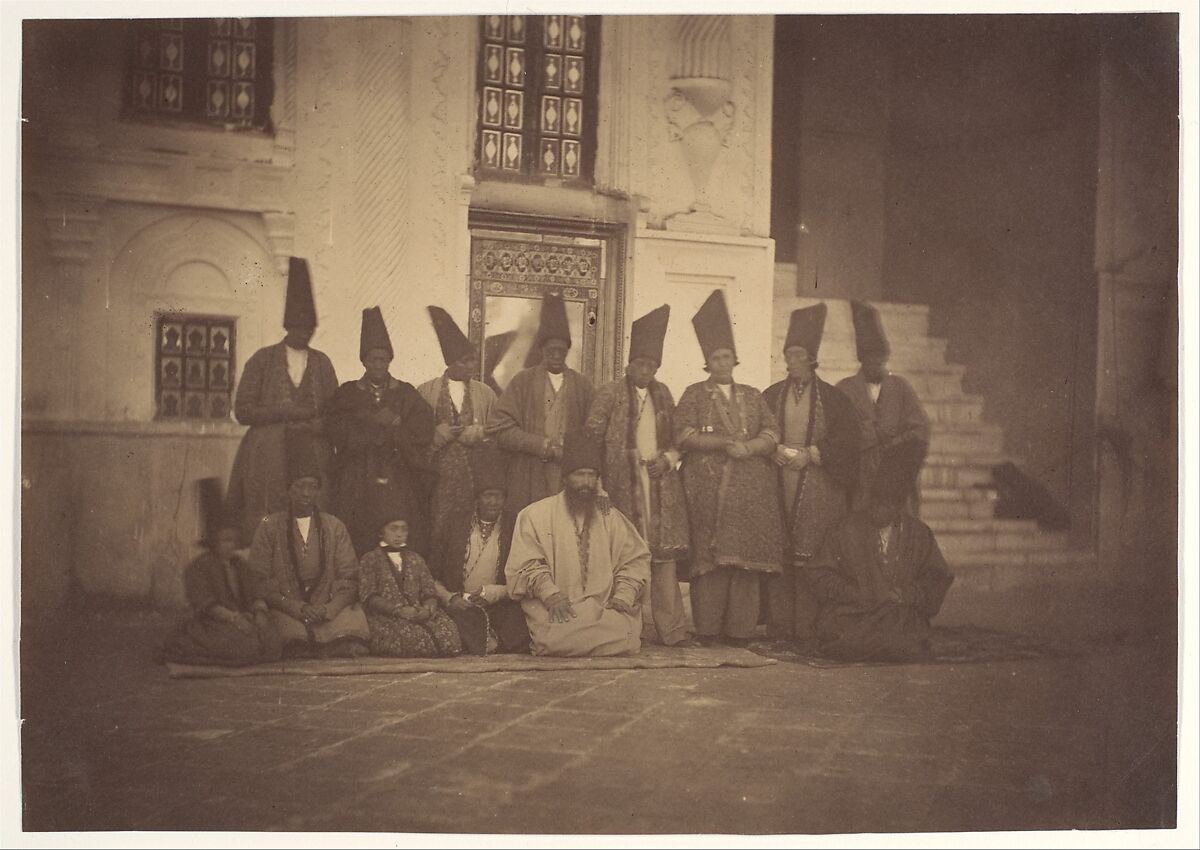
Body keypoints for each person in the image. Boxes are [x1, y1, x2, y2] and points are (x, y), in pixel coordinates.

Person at [675, 289, 785, 647]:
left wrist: (750, 447)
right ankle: (707, 629)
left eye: (727, 357)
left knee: (745, 565)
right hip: (706, 490)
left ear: (735, 360)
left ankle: (740, 631)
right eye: (716, 357)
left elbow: (772, 432)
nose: (722, 363)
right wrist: (725, 444)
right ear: (708, 362)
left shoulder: (753, 395)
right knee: (710, 563)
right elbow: (683, 435)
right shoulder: (693, 394)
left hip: (751, 492)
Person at [584, 304, 696, 647]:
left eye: (651, 365)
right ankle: (622, 630)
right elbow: (591, 437)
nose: (645, 370)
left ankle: (671, 630)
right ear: (629, 364)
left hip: (659, 483)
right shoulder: (609, 393)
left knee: (663, 561)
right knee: (622, 556)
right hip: (619, 484)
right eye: (640, 364)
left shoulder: (664, 394)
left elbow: (679, 437)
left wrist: (669, 458)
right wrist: (599, 483)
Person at [762, 304, 860, 650]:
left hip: (817, 486)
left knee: (809, 559)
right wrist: (770, 447)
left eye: (798, 355)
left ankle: (805, 627)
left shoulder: (834, 399)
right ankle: (778, 626)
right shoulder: (772, 395)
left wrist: (812, 455)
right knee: (778, 558)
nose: (791, 362)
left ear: (812, 359)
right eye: (788, 355)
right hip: (778, 481)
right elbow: (760, 430)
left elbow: (847, 442)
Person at [806, 441, 955, 662]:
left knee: (902, 642)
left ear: (898, 508)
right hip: (853, 612)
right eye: (874, 502)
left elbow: (936, 577)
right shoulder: (845, 528)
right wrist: (852, 592)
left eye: (885, 505)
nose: (877, 509)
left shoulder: (918, 533)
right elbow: (820, 573)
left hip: (898, 614)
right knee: (845, 639)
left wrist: (908, 594)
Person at [505, 431, 651, 657]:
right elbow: (526, 563)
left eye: (591, 475)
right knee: (555, 640)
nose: (586, 482)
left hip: (603, 609)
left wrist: (623, 596)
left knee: (626, 637)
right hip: (555, 608)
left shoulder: (609, 516)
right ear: (564, 478)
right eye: (579, 475)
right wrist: (551, 595)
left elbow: (634, 560)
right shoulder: (535, 514)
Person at [227, 258, 339, 545]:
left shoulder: (322, 363)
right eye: (299, 326)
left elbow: (336, 411)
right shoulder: (262, 360)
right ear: (288, 325)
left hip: (312, 452)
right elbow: (242, 410)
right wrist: (280, 411)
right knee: (269, 516)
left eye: (309, 327)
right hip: (269, 454)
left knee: (311, 517)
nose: (305, 332)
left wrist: (320, 426)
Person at [247, 431, 370, 658]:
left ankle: (329, 640)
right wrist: (297, 608)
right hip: (287, 607)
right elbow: (260, 580)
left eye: (312, 487)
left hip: (329, 608)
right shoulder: (269, 526)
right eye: (300, 486)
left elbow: (349, 577)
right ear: (288, 489)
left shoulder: (334, 526)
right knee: (291, 643)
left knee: (354, 638)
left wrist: (328, 608)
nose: (306, 493)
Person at [327, 307, 435, 557]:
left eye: (383, 359)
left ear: (389, 361)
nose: (378, 364)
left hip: (395, 473)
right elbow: (335, 428)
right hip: (357, 473)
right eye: (373, 359)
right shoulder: (348, 393)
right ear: (364, 361)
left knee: (396, 521)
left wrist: (397, 426)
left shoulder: (406, 393)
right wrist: (370, 425)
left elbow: (423, 428)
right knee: (357, 523)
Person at [486, 291, 593, 516]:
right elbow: (499, 428)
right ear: (541, 349)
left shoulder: (582, 386)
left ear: (567, 350)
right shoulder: (522, 381)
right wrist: (540, 445)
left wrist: (569, 451)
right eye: (550, 349)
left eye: (561, 350)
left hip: (568, 477)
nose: (556, 355)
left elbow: (592, 433)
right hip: (528, 475)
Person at [161, 478, 283, 667]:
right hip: (215, 621)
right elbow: (206, 605)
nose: (230, 546)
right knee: (243, 646)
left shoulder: (239, 564)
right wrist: (234, 618)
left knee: (273, 641)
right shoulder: (199, 567)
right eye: (225, 540)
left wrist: (259, 612)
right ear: (213, 541)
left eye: (233, 541)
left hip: (243, 618)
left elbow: (254, 591)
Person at [427, 449, 530, 655]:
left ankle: (484, 641)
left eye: (498, 496)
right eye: (487, 496)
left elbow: (525, 574)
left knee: (525, 619)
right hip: (458, 605)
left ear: (504, 499)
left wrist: (496, 593)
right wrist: (450, 598)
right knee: (448, 622)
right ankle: (485, 641)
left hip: (498, 605)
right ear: (478, 498)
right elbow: (431, 574)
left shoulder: (514, 525)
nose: (493, 502)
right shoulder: (455, 524)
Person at [837, 300, 931, 512]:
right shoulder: (845, 389)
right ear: (862, 360)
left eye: (880, 360)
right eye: (870, 359)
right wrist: (872, 436)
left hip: (896, 476)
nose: (876, 364)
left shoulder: (900, 387)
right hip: (862, 479)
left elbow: (920, 429)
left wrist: (897, 443)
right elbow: (839, 433)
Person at [417, 306, 497, 547]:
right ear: (452, 362)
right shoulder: (425, 392)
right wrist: (436, 436)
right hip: (437, 481)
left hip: (474, 478)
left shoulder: (485, 394)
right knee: (437, 530)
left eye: (473, 359)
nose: (472, 365)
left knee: (468, 533)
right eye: (466, 361)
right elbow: (415, 439)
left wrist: (480, 434)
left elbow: (498, 434)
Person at [357, 509, 462, 658]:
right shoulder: (370, 559)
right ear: (381, 532)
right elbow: (369, 596)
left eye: (404, 530)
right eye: (393, 528)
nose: (399, 534)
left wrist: (428, 609)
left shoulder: (416, 559)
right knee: (410, 637)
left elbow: (429, 590)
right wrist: (399, 610)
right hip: (386, 616)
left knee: (449, 632)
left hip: (419, 613)